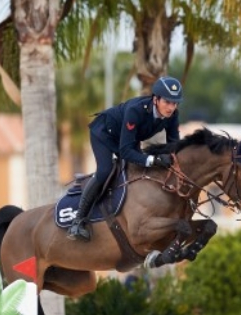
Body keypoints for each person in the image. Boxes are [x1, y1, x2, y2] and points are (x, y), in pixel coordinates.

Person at [67, 76, 183, 242]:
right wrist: (154, 160)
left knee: (137, 171)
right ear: (155, 99)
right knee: (105, 171)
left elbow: (174, 144)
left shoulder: (172, 115)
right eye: (167, 102)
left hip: (128, 139)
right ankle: (77, 222)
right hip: (105, 134)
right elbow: (126, 151)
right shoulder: (136, 110)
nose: (171, 107)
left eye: (175, 103)